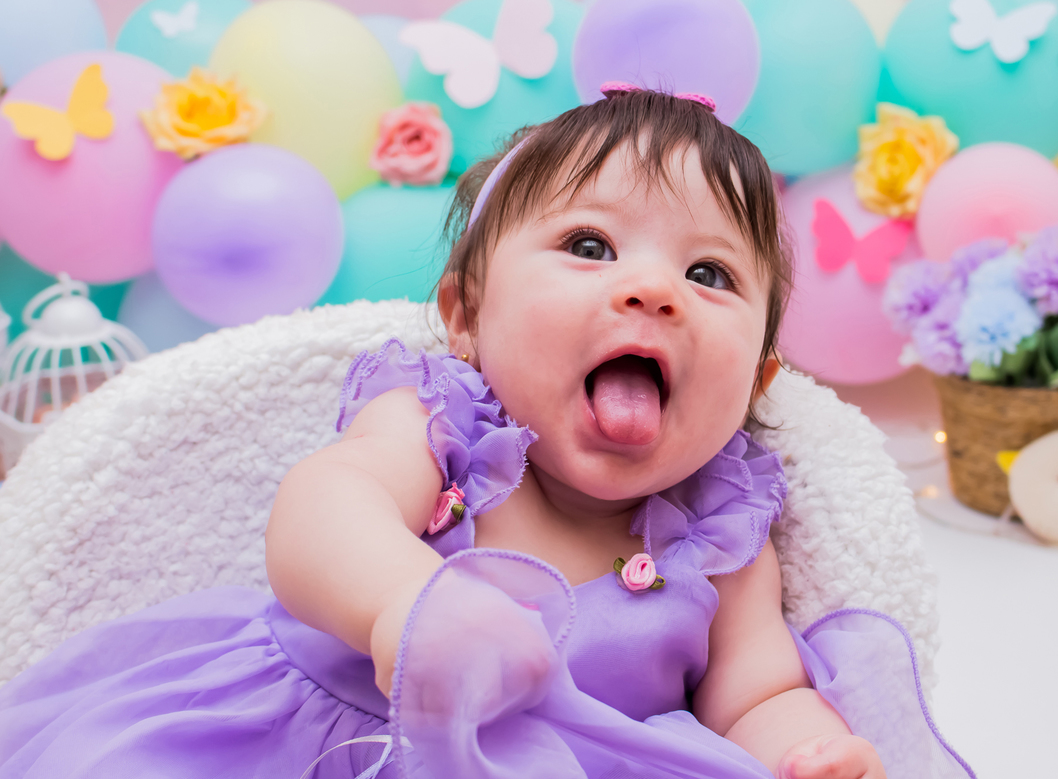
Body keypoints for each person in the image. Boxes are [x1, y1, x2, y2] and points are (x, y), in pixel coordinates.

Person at [0, 86, 972, 779]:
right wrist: (400, 601)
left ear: (759, 374)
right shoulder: (443, 423)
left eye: (709, 274)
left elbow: (753, 695)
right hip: (321, 739)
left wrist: (803, 749)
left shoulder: (724, 533)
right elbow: (325, 508)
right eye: (589, 245)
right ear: (466, 315)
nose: (652, 289)